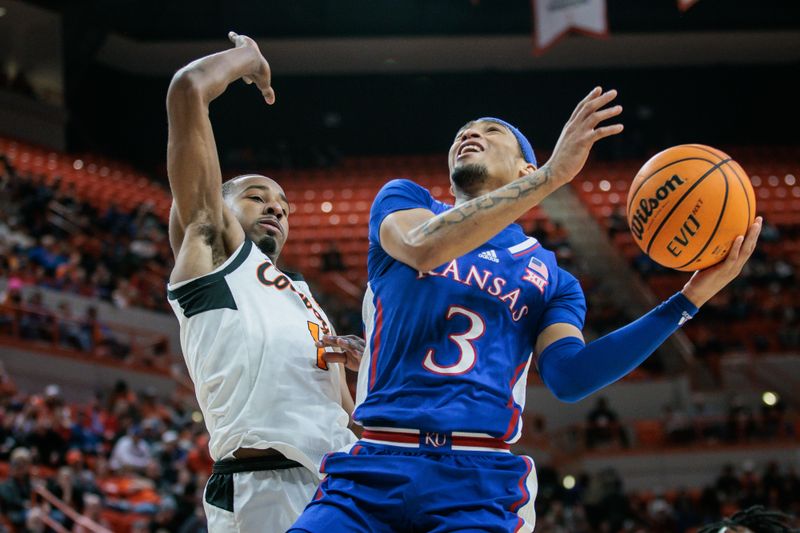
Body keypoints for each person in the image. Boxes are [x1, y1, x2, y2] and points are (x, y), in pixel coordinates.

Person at [291, 88, 762, 532]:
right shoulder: (405, 201)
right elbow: (422, 246)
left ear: (523, 170)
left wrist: (687, 301)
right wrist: (553, 176)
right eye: (463, 132)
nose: (469, 134)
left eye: (492, 131)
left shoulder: (553, 279)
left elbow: (571, 378)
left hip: (477, 479)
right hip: (375, 459)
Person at [165, 32, 362, 532]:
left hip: (339, 488)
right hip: (262, 485)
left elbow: (349, 417)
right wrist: (245, 60)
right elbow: (187, 90)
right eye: (256, 196)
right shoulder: (209, 250)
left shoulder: (305, 300)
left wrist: (369, 374)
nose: (276, 206)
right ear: (221, 205)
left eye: (283, 205)